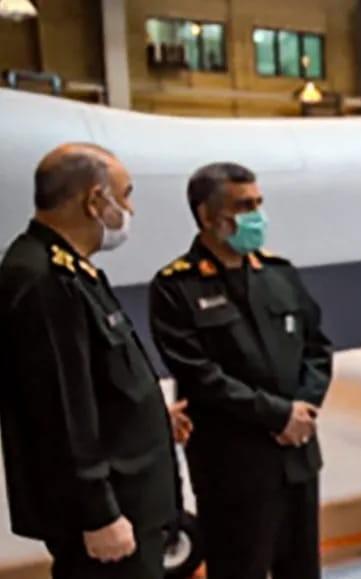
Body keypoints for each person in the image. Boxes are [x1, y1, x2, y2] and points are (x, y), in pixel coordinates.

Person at [0, 143, 183, 578]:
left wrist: (153, 418)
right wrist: (98, 512)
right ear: (95, 200)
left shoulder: (74, 272)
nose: (130, 208)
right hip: (107, 517)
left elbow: (101, 382)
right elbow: (60, 410)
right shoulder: (43, 279)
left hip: (130, 501)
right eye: (126, 194)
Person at [148, 162, 333, 579]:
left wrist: (303, 409)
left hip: (297, 457)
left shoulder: (279, 274)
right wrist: (278, 416)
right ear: (207, 216)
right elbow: (200, 375)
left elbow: (317, 348)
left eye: (259, 204)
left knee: (302, 570)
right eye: (244, 206)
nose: (257, 216)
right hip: (233, 467)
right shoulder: (176, 287)